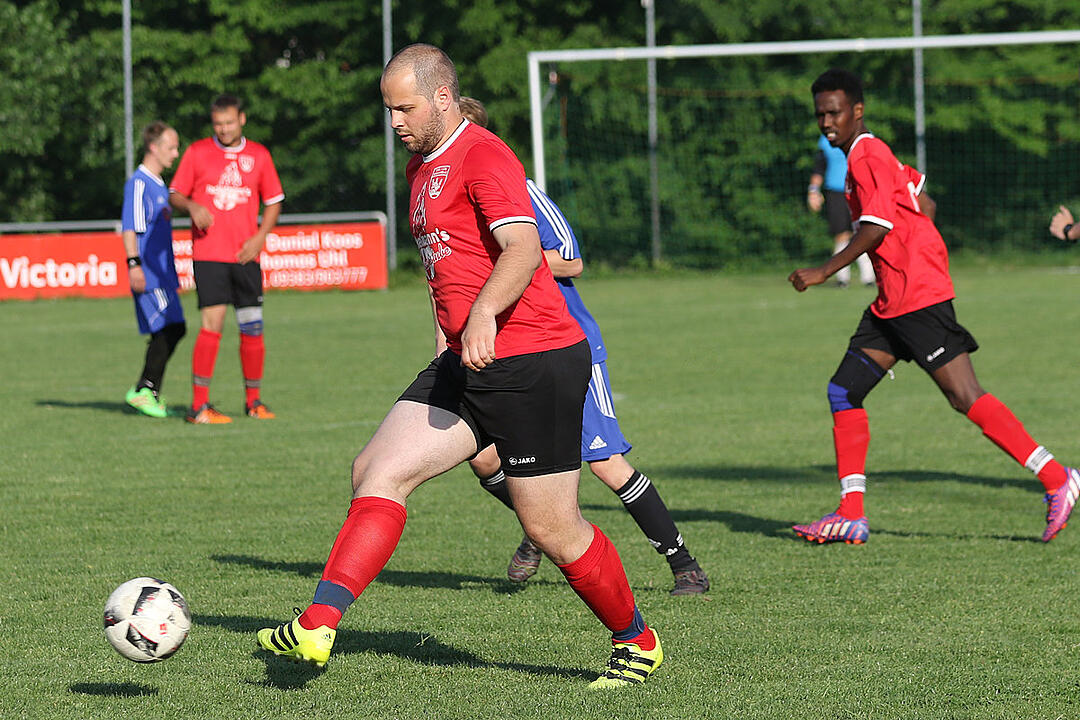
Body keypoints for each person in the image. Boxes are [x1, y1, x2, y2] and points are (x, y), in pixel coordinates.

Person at [257, 44, 664, 689]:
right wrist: (452, 334)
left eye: (405, 108)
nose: (395, 122)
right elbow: (444, 272)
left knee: (552, 529)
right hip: (465, 362)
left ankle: (636, 640)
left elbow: (524, 249)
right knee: (376, 470)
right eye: (389, 109)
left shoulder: (485, 155)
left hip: (533, 361)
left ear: (442, 97)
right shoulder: (423, 167)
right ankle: (318, 623)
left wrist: (482, 317)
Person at [788, 68, 1078, 545]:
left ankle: (1056, 478)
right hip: (894, 300)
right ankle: (851, 512)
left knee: (965, 396)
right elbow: (926, 202)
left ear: (856, 110)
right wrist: (917, 244)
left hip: (916, 298)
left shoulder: (866, 155)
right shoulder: (878, 152)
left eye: (834, 112)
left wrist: (823, 271)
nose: (826, 121)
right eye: (820, 113)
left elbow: (876, 226)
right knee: (844, 390)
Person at [457, 96, 709, 596]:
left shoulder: (518, 189)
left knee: (605, 463)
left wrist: (508, 261)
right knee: (485, 458)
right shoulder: (454, 203)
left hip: (567, 347)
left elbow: (569, 260)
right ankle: (542, 527)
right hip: (506, 350)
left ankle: (685, 564)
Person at [169, 94, 284, 424]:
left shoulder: (259, 155)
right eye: (218, 124)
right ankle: (199, 407)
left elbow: (274, 201)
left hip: (246, 256)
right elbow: (175, 193)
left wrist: (260, 237)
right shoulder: (198, 152)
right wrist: (192, 206)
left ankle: (253, 401)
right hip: (210, 255)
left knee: (252, 327)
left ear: (242, 119)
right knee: (212, 325)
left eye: (229, 123)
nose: (223, 129)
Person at [121, 122, 186, 418]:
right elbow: (130, 227)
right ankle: (144, 389)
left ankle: (148, 391)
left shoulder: (160, 185)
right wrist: (133, 264)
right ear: (153, 147)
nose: (175, 153)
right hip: (147, 272)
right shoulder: (139, 183)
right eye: (171, 147)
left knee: (173, 327)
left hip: (163, 274)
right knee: (170, 326)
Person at [808, 134, 875, 288]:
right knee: (841, 234)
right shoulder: (826, 141)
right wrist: (813, 191)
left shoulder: (864, 137)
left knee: (862, 232)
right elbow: (819, 167)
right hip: (835, 192)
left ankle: (868, 277)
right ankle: (842, 277)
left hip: (858, 190)